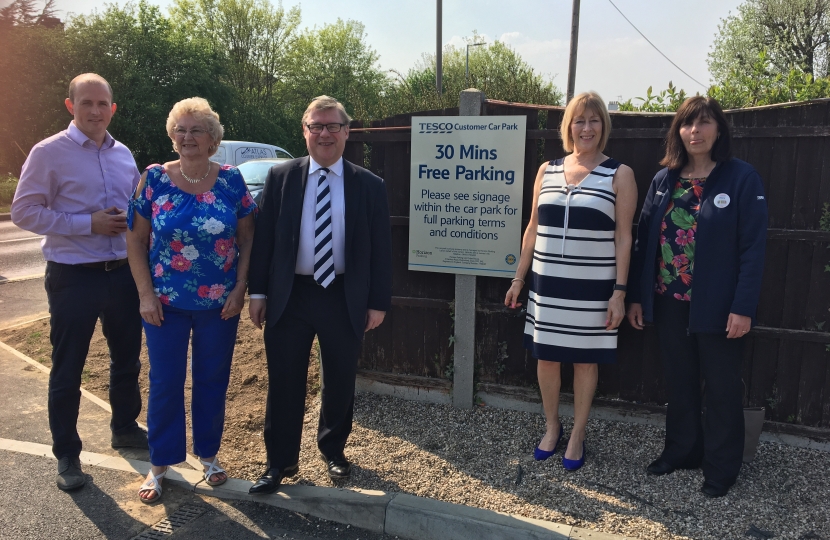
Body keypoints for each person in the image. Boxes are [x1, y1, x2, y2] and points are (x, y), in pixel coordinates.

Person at [247, 95, 392, 494]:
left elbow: (381, 248)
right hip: (289, 296)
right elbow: (265, 242)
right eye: (316, 126)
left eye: (332, 126)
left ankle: (334, 451)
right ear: (304, 131)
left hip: (343, 295)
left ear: (347, 132)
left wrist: (378, 301)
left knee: (341, 380)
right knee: (284, 380)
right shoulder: (281, 178)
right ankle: (280, 462)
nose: (324, 133)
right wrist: (257, 293)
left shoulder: (369, 185)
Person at [11, 73, 148, 491]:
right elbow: (23, 212)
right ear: (71, 106)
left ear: (112, 108)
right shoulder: (48, 152)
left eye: (102, 103)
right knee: (67, 368)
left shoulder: (124, 153)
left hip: (123, 275)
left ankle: (124, 427)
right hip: (74, 277)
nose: (95, 110)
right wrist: (87, 224)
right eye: (86, 103)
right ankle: (67, 454)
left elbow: (136, 208)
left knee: (127, 359)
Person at [626, 96, 767, 498]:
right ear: (679, 132)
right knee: (680, 382)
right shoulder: (663, 180)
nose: (695, 131)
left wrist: (743, 308)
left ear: (718, 130)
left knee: (721, 388)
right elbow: (644, 242)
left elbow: (753, 250)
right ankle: (682, 451)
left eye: (704, 123)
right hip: (669, 301)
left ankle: (721, 468)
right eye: (688, 124)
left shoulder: (741, 179)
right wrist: (637, 297)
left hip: (719, 307)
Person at [126, 97, 256, 503]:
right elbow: (134, 238)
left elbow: (248, 236)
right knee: (165, 382)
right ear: (172, 136)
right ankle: (160, 463)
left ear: (213, 139)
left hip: (220, 305)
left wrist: (241, 287)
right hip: (163, 304)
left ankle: (209, 455)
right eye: (180, 130)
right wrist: (145, 294)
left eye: (196, 130)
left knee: (212, 380)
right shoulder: (154, 179)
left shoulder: (232, 180)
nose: (187, 137)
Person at [504, 92, 637, 471]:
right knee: (546, 359)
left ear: (603, 127)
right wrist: (519, 278)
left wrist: (620, 292)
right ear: (569, 127)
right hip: (547, 286)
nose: (587, 127)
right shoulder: (546, 170)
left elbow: (624, 238)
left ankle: (577, 433)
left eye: (594, 120)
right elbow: (532, 227)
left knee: (584, 362)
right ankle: (552, 426)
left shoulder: (619, 174)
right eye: (579, 120)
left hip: (593, 289)